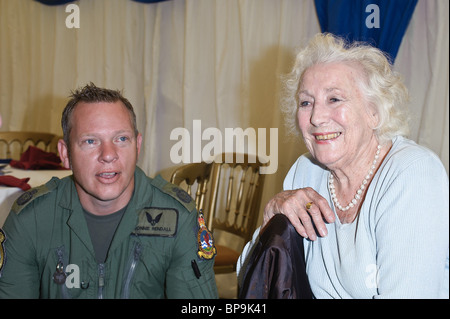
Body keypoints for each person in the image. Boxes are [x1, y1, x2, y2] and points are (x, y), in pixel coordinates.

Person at [237, 33, 449, 299]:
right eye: (306, 102)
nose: (316, 116)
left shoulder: (412, 174)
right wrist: (272, 218)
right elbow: (250, 275)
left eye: (334, 99)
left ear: (374, 111)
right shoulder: (306, 171)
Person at [0, 83, 218, 298]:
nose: (108, 154)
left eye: (121, 139)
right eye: (90, 141)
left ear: (137, 145)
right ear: (65, 153)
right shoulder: (31, 219)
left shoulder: (177, 217)